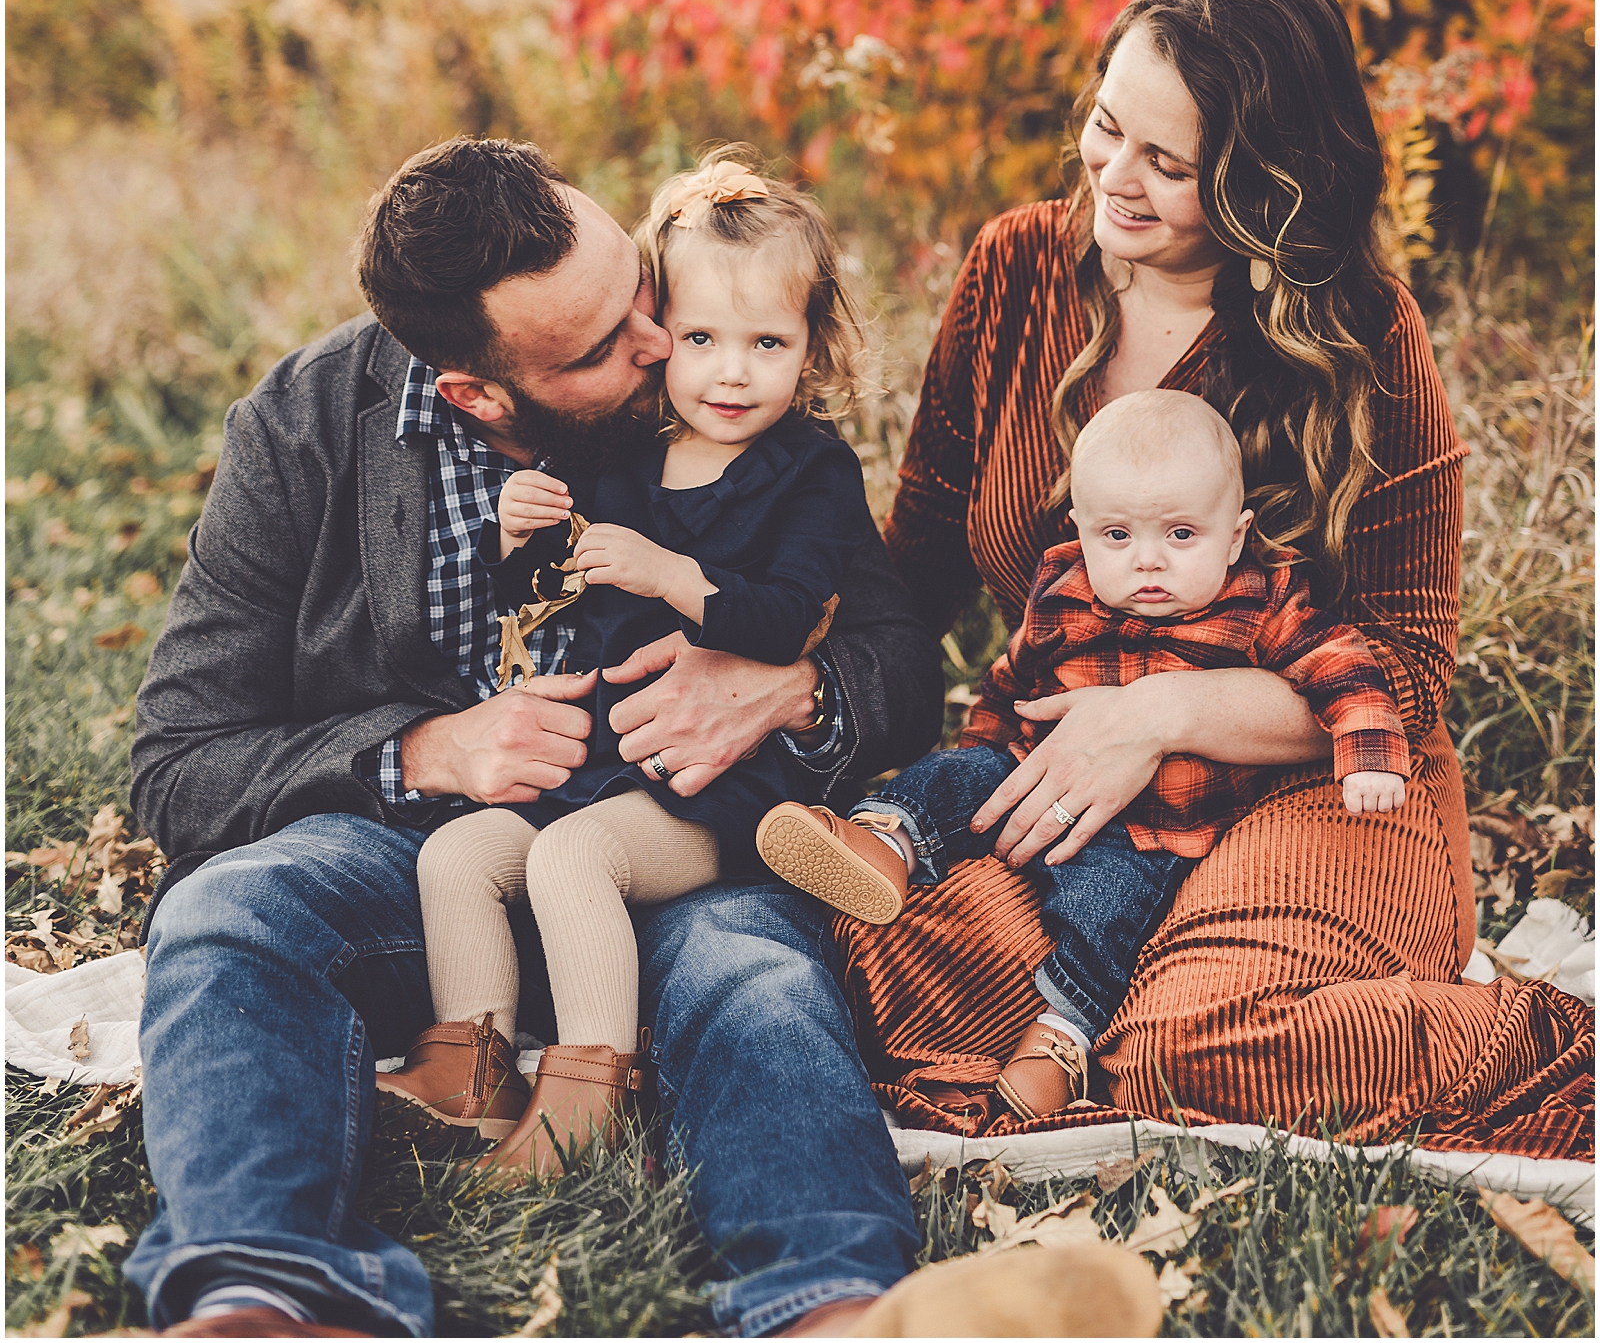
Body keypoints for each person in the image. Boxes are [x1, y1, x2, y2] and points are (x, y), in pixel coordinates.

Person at [125, 136, 1152, 1341]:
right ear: (478, 392)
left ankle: (835, 1307)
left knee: (759, 982)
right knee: (227, 915)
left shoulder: (725, 418)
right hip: (417, 861)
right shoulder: (303, 431)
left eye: (641, 293)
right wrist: (427, 752)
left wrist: (790, 691)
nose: (661, 345)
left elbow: (894, 660)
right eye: (608, 345)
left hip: (666, 842)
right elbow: (179, 762)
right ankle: (267, 1295)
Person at [830, 0, 1590, 1155]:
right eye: (1104, 125)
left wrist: (1162, 714)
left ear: (1266, 190)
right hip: (1077, 759)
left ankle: (1532, 1033)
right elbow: (914, 562)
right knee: (867, 965)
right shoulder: (1018, 271)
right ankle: (1089, 999)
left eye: (1167, 166)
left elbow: (1405, 667)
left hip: (1323, 776)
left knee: (1189, 1045)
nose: (1112, 179)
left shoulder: (1363, 336)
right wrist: (796, 684)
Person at [380, 152, 881, 1178]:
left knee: (570, 862)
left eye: (766, 343)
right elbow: (546, 607)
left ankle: (588, 1105)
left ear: (811, 346)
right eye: (699, 338)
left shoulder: (809, 471)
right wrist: (517, 546)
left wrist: (671, 573)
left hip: (720, 786)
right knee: (457, 859)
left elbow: (790, 618)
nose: (728, 372)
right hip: (608, 767)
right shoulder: (621, 457)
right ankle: (467, 1074)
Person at [758, 386, 1409, 1121]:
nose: (1148, 563)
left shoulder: (1261, 599)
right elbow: (1013, 685)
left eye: (1182, 536)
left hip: (1151, 833)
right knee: (952, 776)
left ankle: (1060, 1038)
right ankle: (883, 841)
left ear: (1236, 535)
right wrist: (982, 761)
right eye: (1118, 537)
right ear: (1082, 531)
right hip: (1037, 774)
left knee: (1109, 917)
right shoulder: (1062, 588)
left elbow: (1342, 665)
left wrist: (1369, 749)